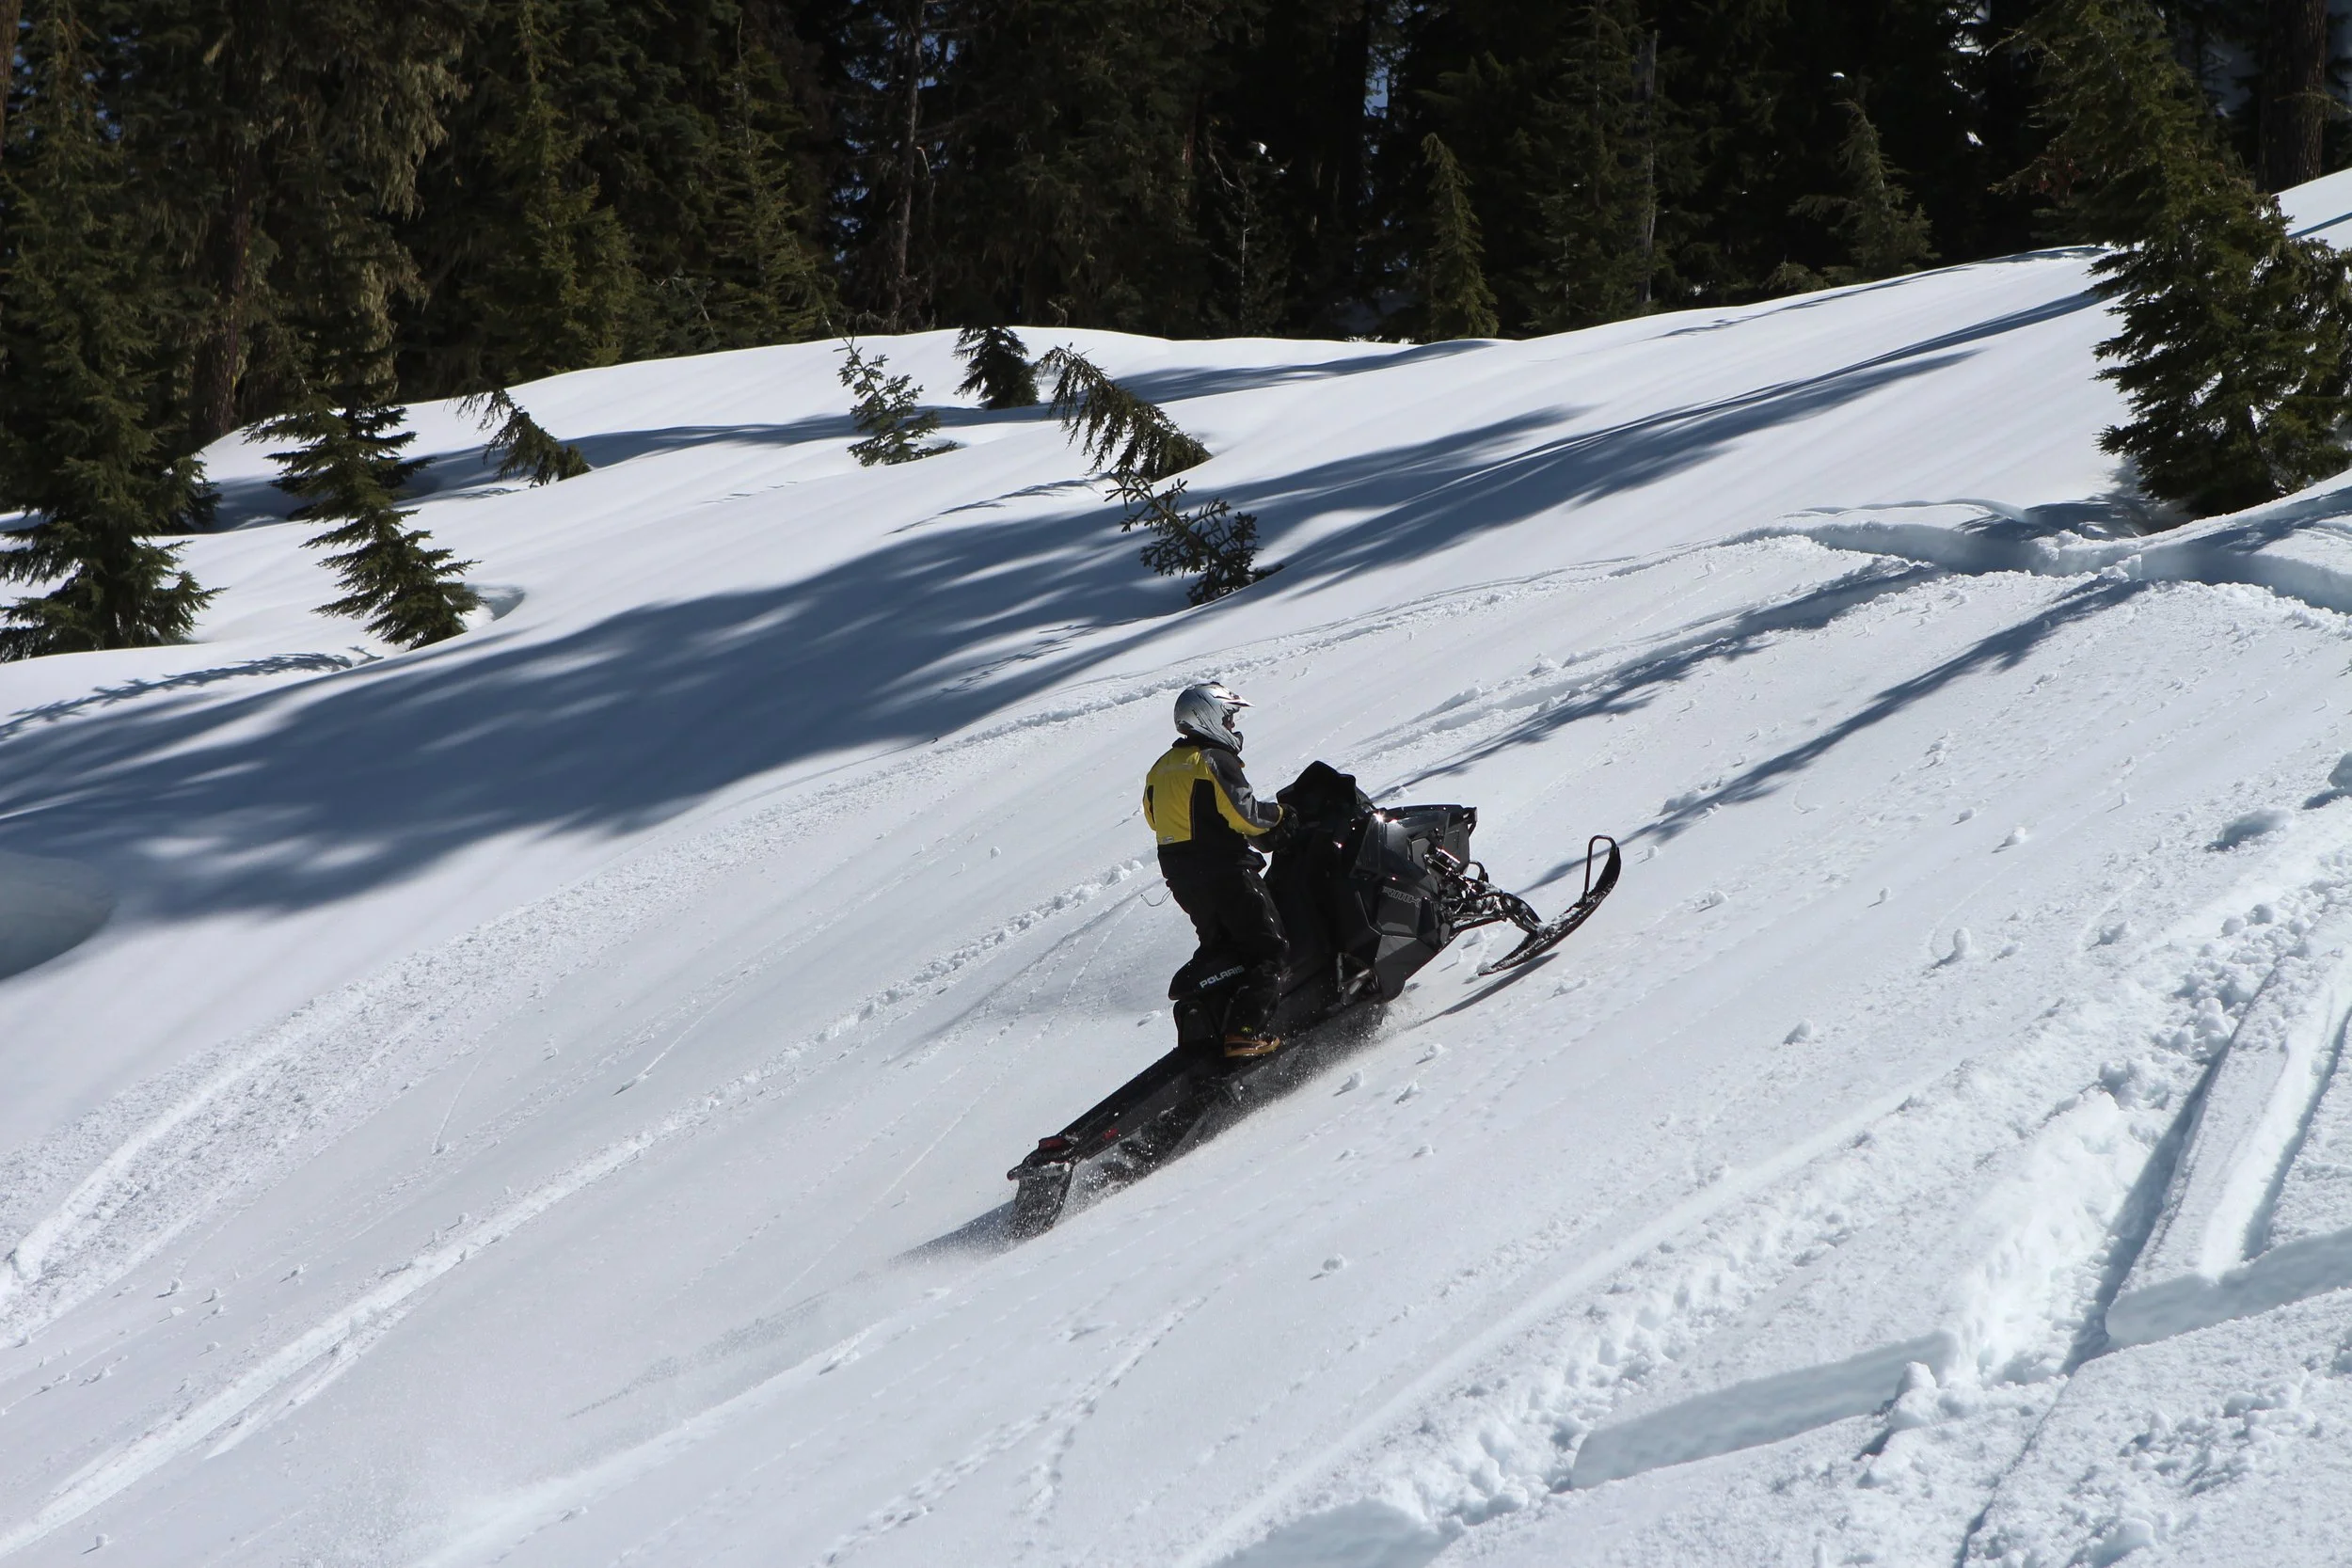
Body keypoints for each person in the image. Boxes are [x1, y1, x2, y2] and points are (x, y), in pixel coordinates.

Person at [1143, 682, 1290, 1058]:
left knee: (1223, 950)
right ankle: (1245, 1033)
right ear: (1206, 717)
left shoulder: (1160, 768)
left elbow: (1153, 818)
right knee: (1270, 949)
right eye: (1227, 718)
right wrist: (1283, 816)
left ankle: (1206, 1024)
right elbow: (1246, 815)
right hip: (1226, 872)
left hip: (1182, 880)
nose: (1232, 725)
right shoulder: (1213, 759)